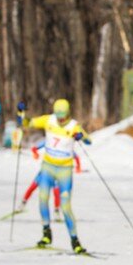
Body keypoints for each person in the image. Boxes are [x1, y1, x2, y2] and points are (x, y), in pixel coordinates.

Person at [16, 99, 92, 253]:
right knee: (43, 198)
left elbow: (89, 140)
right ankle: (46, 234)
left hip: (64, 170)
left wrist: (80, 136)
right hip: (48, 167)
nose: (60, 119)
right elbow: (26, 123)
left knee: (65, 206)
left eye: (63, 116)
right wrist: (20, 112)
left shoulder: (73, 125)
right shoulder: (48, 120)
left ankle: (75, 241)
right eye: (58, 116)